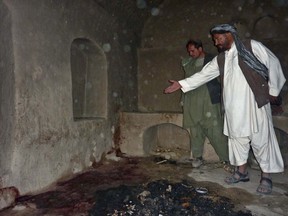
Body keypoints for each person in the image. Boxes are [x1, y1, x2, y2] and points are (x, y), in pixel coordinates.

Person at [164, 23, 286, 195]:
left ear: (230, 34)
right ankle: (241, 172)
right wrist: (181, 84)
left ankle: (266, 176)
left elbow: (273, 63)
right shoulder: (222, 58)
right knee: (237, 141)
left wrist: (273, 91)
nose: (216, 43)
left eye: (218, 39)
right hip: (233, 109)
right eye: (214, 40)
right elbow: (204, 74)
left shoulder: (251, 46)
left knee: (261, 140)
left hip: (254, 105)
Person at [180, 39, 231, 171]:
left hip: (209, 100)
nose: (190, 53)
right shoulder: (188, 63)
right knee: (196, 130)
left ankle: (226, 159)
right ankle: (197, 157)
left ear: (200, 48)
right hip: (192, 100)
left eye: (193, 50)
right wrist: (183, 99)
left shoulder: (213, 60)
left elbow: (223, 80)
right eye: (189, 51)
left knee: (215, 131)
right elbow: (185, 81)